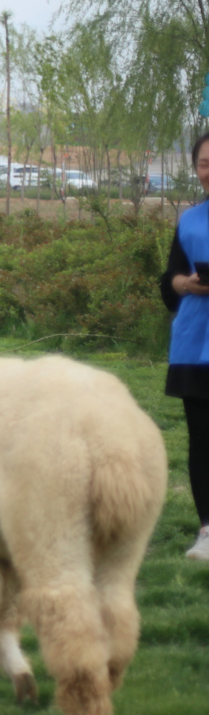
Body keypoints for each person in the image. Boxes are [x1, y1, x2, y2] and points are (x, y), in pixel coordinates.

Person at [159, 130, 209, 561]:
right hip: (196, 344)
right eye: (205, 162)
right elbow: (170, 277)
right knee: (202, 440)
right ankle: (208, 530)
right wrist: (187, 284)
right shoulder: (189, 220)